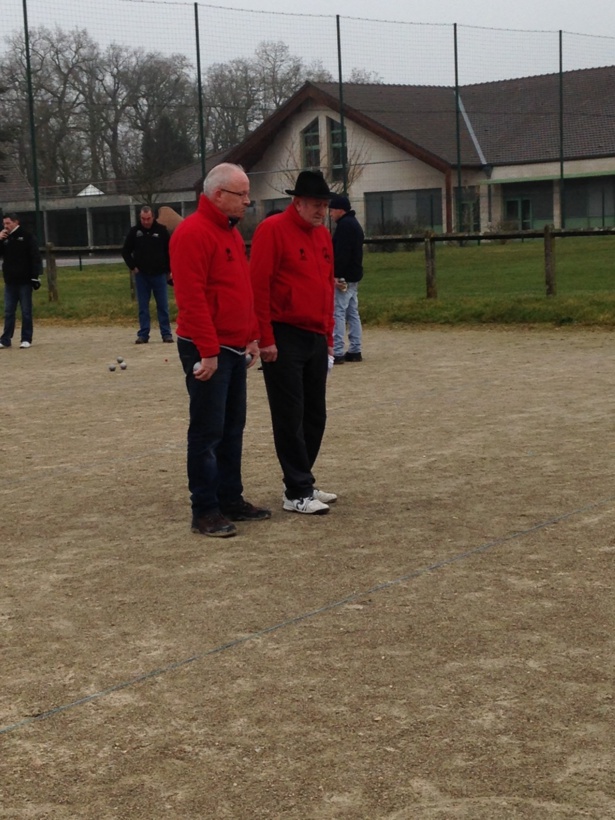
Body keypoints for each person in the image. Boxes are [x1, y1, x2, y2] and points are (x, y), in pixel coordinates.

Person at [170, 162, 270, 538]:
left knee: (232, 428)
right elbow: (191, 298)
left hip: (232, 346)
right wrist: (208, 351)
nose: (248, 200)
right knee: (208, 431)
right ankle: (205, 509)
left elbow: (239, 289)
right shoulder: (193, 233)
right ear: (218, 195)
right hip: (205, 347)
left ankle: (230, 497)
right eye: (241, 194)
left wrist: (252, 335)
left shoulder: (228, 232)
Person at [250, 170, 337, 516]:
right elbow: (259, 286)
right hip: (284, 334)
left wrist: (329, 339)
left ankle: (302, 480)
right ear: (297, 203)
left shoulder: (322, 236)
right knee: (290, 415)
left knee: (315, 414)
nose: (321, 211)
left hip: (315, 334)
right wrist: (265, 337)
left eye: (325, 205)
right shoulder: (271, 230)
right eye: (316, 205)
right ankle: (297, 489)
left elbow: (328, 287)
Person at [122, 206, 174, 344]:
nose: (146, 222)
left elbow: (170, 251)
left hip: (159, 275)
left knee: (163, 306)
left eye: (148, 219)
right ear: (140, 218)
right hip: (142, 276)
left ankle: (166, 333)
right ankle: (143, 334)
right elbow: (125, 251)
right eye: (143, 219)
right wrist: (133, 267)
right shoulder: (134, 232)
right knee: (143, 307)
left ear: (153, 217)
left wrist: (169, 271)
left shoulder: (162, 231)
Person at [328, 195, 364, 364]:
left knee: (339, 312)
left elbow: (341, 254)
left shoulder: (344, 226)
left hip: (343, 276)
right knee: (352, 312)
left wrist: (335, 274)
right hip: (354, 274)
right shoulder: (355, 224)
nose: (330, 214)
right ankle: (355, 349)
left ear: (340, 210)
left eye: (332, 210)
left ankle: (337, 350)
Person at [0, 213, 42, 349]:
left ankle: (26, 338)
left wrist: (35, 276)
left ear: (16, 222)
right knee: (8, 311)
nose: (5, 226)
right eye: (4, 224)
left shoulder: (27, 236)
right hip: (10, 281)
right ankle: (6, 339)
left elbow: (35, 256)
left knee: (26, 311)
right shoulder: (5, 238)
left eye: (8, 223)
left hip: (24, 280)